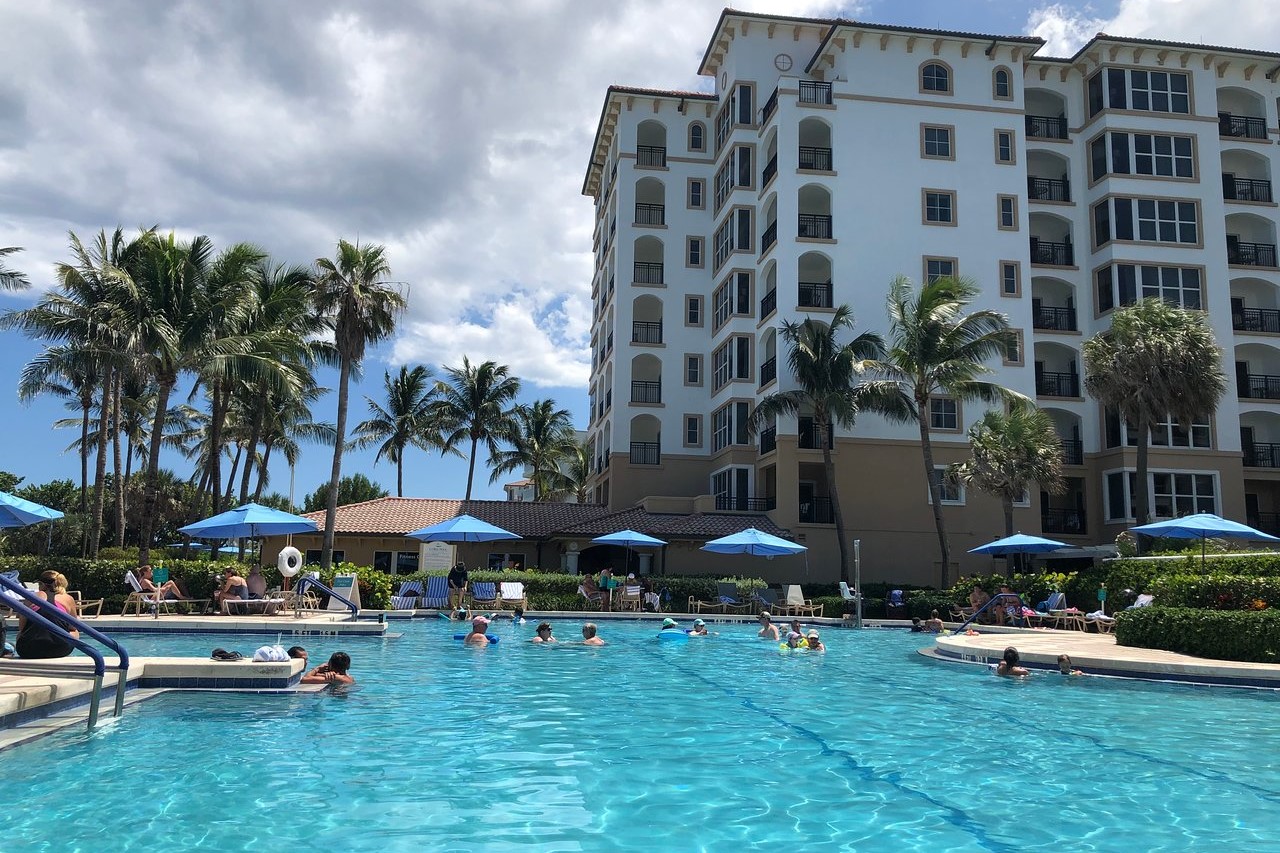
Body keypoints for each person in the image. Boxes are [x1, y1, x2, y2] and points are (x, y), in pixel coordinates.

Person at [15, 570, 80, 659]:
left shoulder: (31, 597)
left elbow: (22, 628)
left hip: (28, 650)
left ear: (42, 584)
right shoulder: (67, 598)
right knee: (74, 632)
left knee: (20, 633)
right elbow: (73, 627)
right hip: (60, 649)